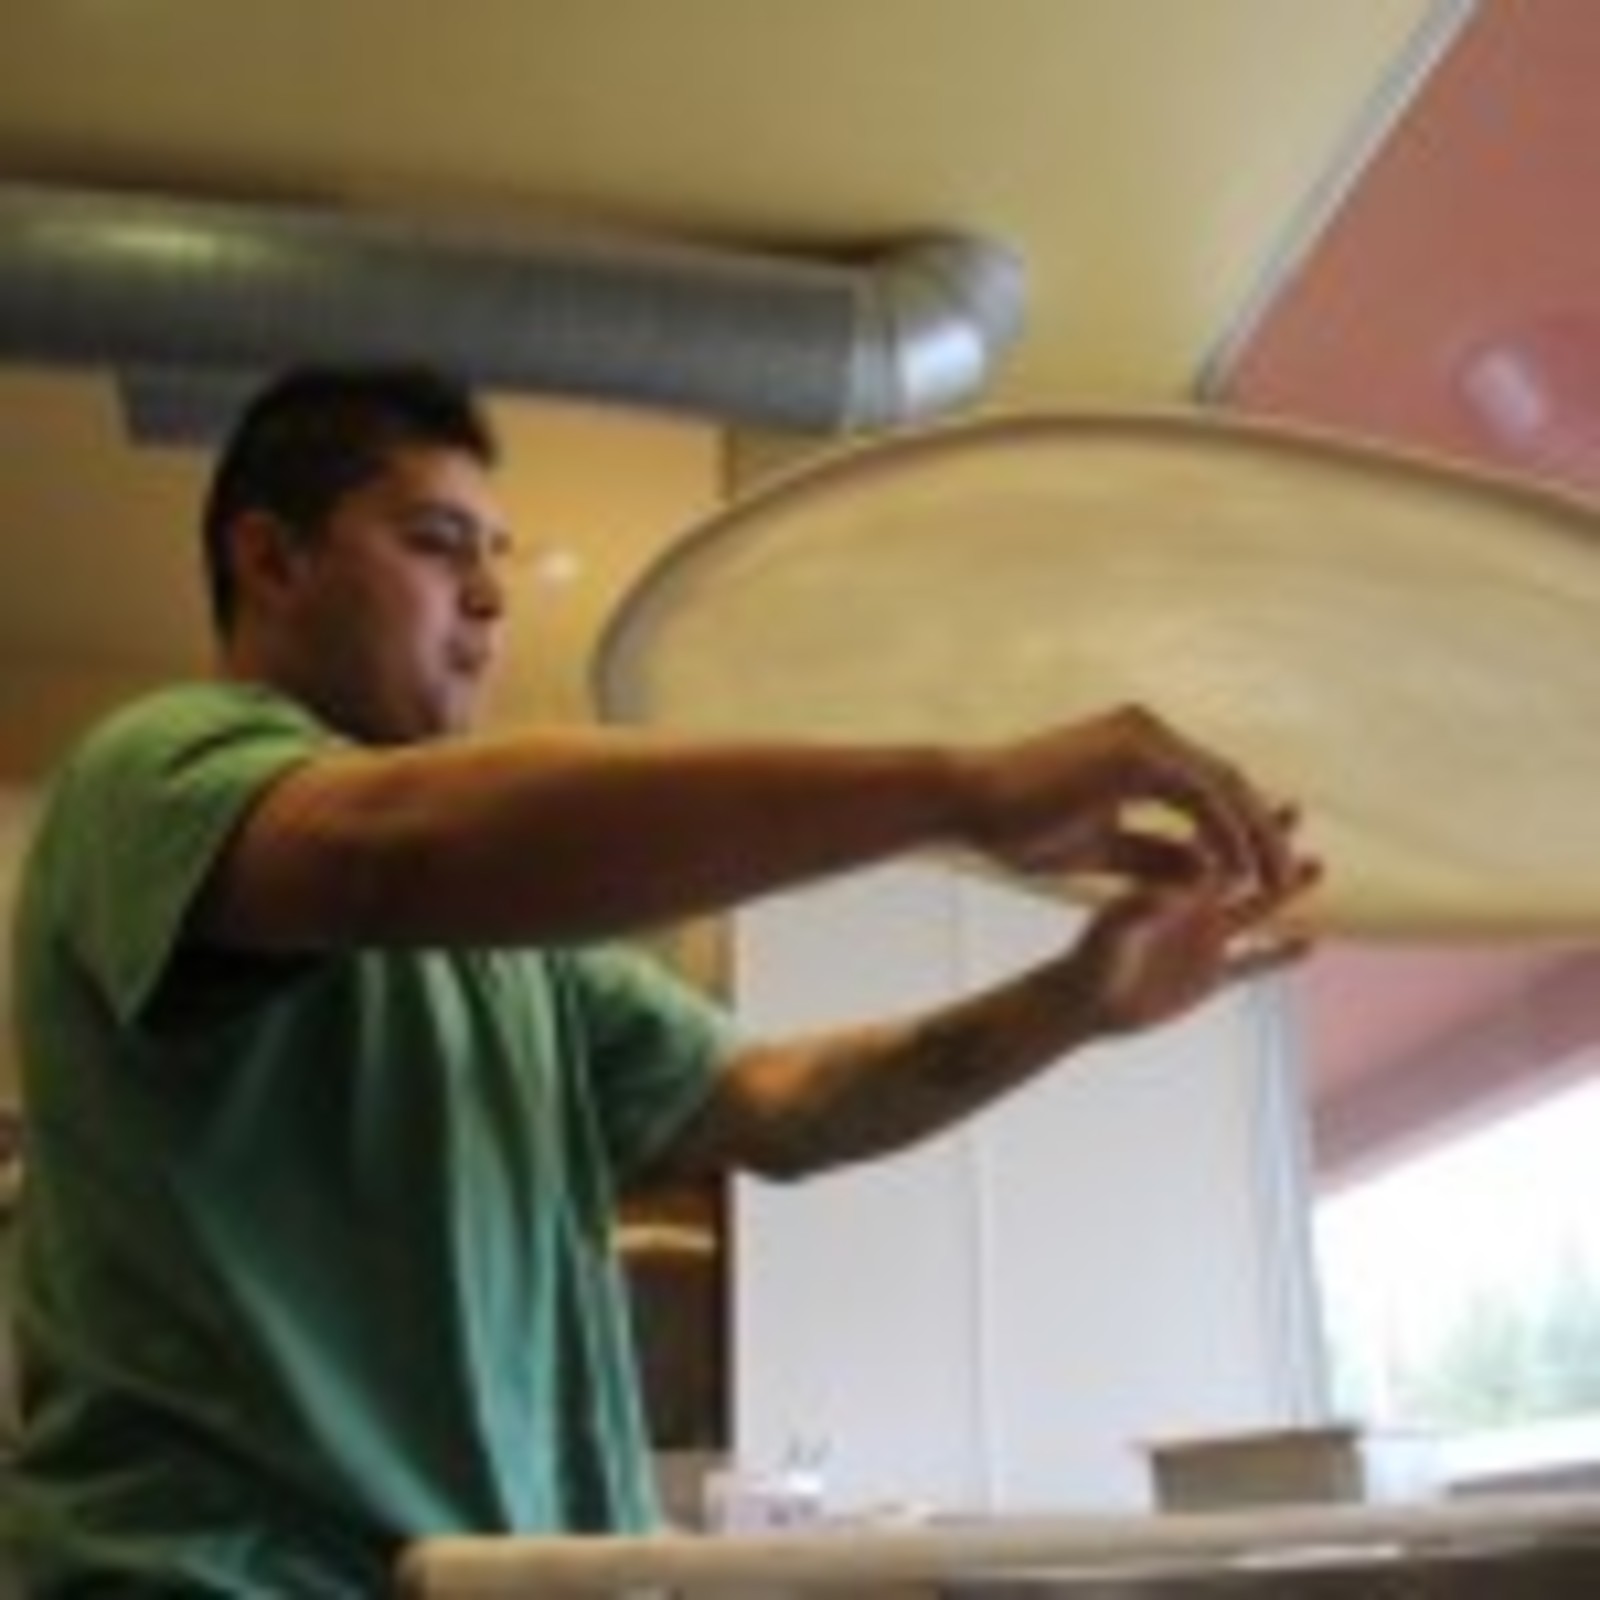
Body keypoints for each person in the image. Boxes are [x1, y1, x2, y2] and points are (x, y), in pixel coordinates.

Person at [5, 365, 1317, 1596]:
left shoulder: (523, 958)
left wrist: (1077, 1002)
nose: (490, 599)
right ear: (271, 558)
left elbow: (783, 1105)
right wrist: (961, 790)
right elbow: (384, 852)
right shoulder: (155, 771)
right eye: (438, 544)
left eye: (495, 556)